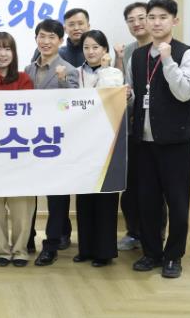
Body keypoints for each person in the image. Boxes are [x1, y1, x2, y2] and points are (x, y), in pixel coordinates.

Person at [127, 0, 190, 279]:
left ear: (174, 21)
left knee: (177, 202)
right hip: (143, 142)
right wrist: (126, 95)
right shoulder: (137, 56)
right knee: (147, 201)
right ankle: (152, 253)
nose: (155, 23)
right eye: (151, 17)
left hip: (175, 142)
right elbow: (135, 95)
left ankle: (173, 257)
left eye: (162, 17)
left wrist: (167, 59)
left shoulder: (186, 54)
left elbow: (184, 92)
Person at [0, 32, 35, 267]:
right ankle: (1, 249)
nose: (2, 54)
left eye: (7, 48)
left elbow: (26, 111)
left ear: (14, 52)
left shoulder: (23, 79)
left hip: (18, 148)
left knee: (21, 203)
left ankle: (20, 249)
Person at [25, 19, 79, 266]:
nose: (45, 42)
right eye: (42, 36)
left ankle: (52, 245)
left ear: (60, 41)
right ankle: (27, 238)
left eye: (51, 37)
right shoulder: (27, 69)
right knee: (28, 193)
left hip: (57, 142)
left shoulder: (69, 70)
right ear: (36, 38)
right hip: (29, 141)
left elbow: (74, 106)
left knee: (57, 197)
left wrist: (63, 81)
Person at [73, 30, 123, 267]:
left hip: (107, 141)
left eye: (95, 47)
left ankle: (104, 251)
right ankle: (86, 248)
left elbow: (109, 95)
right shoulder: (76, 73)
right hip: (83, 142)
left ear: (104, 50)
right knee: (84, 195)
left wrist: (104, 69)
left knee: (105, 197)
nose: (90, 52)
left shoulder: (113, 73)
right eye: (86, 47)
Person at [114, 2, 153, 251]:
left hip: (155, 130)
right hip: (129, 128)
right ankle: (133, 232)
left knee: (153, 187)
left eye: (141, 17)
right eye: (131, 20)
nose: (136, 23)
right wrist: (118, 60)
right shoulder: (127, 51)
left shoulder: (164, 49)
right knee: (129, 186)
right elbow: (118, 86)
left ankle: (154, 235)